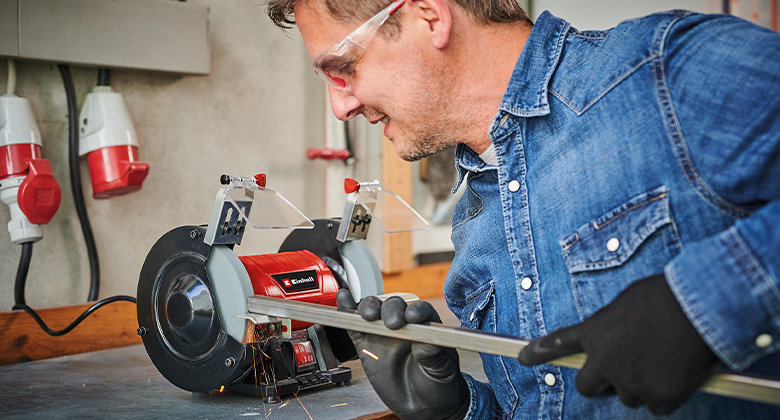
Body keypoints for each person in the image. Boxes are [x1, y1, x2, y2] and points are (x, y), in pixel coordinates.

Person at [265, 0, 780, 418]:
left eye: (343, 68)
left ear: (428, 16)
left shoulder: (664, 74)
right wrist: (460, 409)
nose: (341, 106)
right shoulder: (475, 222)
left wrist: (700, 305)